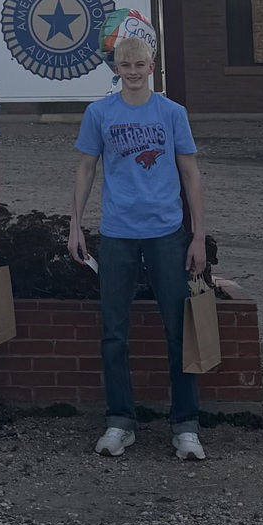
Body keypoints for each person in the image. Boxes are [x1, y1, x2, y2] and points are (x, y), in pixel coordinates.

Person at [68, 35, 208, 461]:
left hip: (166, 233)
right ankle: (120, 421)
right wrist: (75, 224)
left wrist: (198, 233)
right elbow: (86, 168)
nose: (131, 71)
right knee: (113, 332)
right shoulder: (99, 113)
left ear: (152, 65)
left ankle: (185, 424)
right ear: (115, 67)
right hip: (117, 234)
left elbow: (190, 173)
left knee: (178, 330)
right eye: (124, 64)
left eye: (139, 64)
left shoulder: (171, 113)